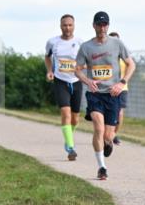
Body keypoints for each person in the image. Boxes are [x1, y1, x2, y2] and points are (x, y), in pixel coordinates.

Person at [75, 11, 134, 180]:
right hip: (95, 94)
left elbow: (131, 65)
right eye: (99, 24)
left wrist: (122, 82)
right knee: (98, 128)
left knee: (108, 135)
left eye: (105, 24)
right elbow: (77, 70)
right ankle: (102, 167)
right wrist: (87, 81)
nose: (102, 27)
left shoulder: (117, 44)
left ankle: (108, 143)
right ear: (93, 25)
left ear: (108, 26)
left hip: (113, 94)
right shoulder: (86, 47)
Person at [46, 15, 83, 161]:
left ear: (74, 26)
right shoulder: (52, 42)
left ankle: (69, 135)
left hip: (76, 81)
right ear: (60, 26)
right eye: (64, 25)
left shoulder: (80, 43)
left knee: (75, 119)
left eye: (70, 25)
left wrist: (80, 67)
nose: (67, 28)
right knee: (65, 114)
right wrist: (49, 71)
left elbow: (86, 62)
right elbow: (47, 57)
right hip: (60, 81)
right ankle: (70, 147)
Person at [108, 31, 128, 145]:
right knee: (110, 113)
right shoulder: (105, 55)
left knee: (120, 113)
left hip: (122, 88)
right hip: (108, 88)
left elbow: (130, 67)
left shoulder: (124, 55)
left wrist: (123, 80)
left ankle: (113, 134)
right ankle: (107, 133)